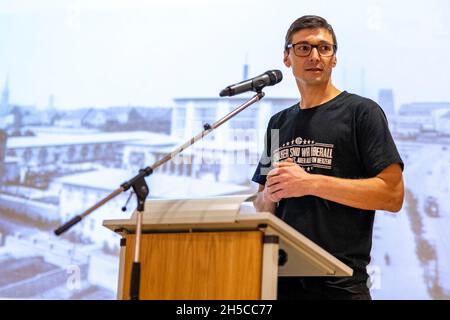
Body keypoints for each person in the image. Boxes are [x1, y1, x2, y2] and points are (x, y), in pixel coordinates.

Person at [252, 15, 404, 300]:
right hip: (280, 282)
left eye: (324, 48)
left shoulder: (362, 112)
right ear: (287, 57)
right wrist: (271, 194)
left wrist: (309, 183)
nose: (315, 56)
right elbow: (262, 205)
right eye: (303, 48)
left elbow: (392, 195)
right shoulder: (277, 123)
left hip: (340, 286)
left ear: (334, 59)